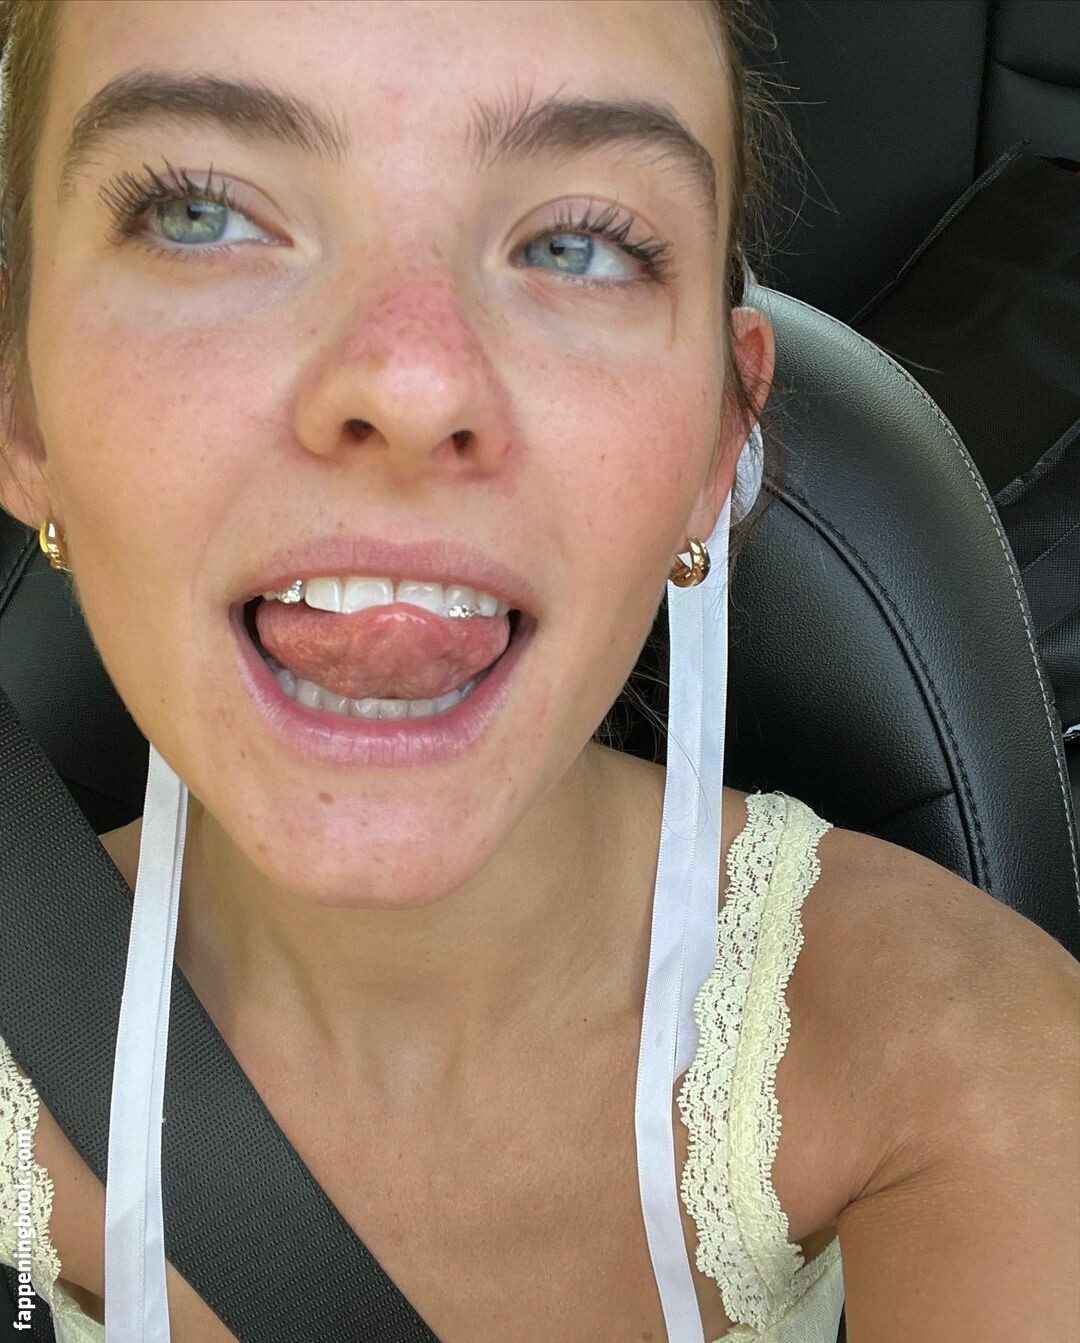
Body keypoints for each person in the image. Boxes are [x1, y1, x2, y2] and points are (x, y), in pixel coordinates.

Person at [0, 1, 1076, 1340]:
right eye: (201, 215)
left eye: (579, 244)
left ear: (719, 440)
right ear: (23, 408)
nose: (410, 384)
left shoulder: (969, 1068)